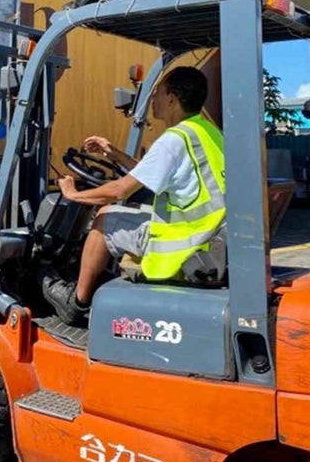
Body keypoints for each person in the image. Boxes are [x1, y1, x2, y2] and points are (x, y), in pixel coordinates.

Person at [44, 66, 226, 325]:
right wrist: (113, 153)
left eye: (157, 95)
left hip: (185, 243)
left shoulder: (174, 139)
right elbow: (153, 172)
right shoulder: (206, 132)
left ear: (172, 99)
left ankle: (77, 303)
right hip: (209, 235)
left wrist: (73, 194)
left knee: (105, 217)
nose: (153, 102)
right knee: (129, 211)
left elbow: (119, 190)